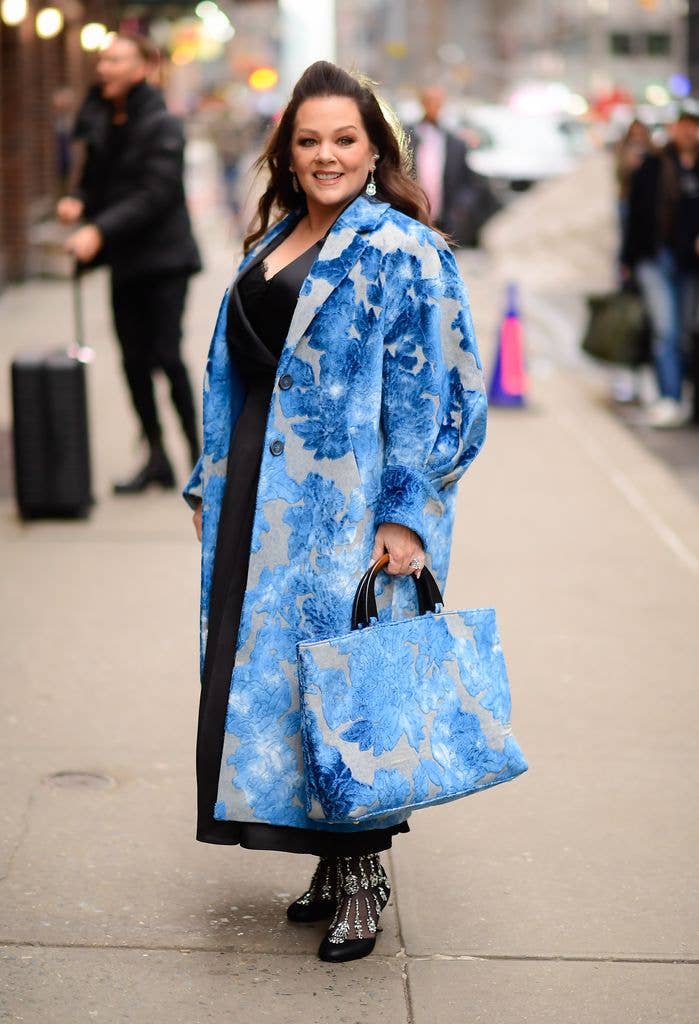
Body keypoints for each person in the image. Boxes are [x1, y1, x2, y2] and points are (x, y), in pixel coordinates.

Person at [183, 61, 487, 964]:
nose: (326, 155)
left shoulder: (404, 250)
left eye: (344, 139)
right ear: (286, 151)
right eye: (308, 140)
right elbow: (235, 371)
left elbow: (444, 395)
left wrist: (408, 511)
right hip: (259, 505)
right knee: (276, 685)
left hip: (346, 512)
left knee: (348, 683)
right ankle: (323, 861)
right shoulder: (269, 240)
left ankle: (363, 878)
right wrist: (209, 483)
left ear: (375, 148)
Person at [57, 32, 202, 492]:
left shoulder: (162, 124)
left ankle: (200, 459)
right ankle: (157, 458)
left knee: (165, 355)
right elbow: (93, 180)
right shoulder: (104, 118)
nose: (105, 68)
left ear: (144, 66)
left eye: (117, 60)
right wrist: (79, 202)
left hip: (165, 260)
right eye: (103, 60)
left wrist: (99, 229)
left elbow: (154, 193)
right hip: (126, 260)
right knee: (132, 363)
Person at [622, 109, 699, 427]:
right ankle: (670, 396)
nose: (689, 132)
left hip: (689, 265)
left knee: (684, 332)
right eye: (684, 126)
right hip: (655, 260)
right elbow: (635, 216)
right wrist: (627, 262)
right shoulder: (654, 166)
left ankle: (683, 397)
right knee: (665, 330)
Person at [409, 84, 494, 246]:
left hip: (445, 220)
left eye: (438, 102)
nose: (434, 106)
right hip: (412, 217)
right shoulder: (408, 136)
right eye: (430, 101)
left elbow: (469, 182)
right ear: (422, 103)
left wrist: (459, 209)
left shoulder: (455, 142)